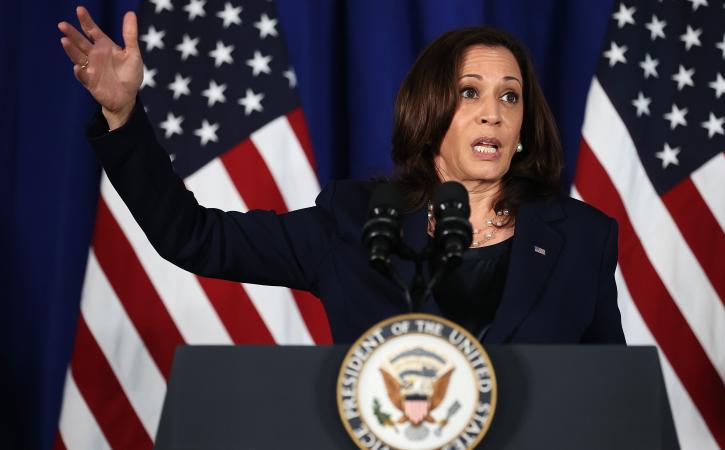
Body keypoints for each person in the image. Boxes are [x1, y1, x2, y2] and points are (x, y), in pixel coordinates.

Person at [58, 7, 625, 344]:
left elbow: (611, 396)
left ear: (523, 124)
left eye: (510, 96)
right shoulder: (354, 222)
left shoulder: (581, 238)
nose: (493, 113)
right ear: (429, 113)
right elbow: (195, 237)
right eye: (469, 92)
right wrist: (123, 116)